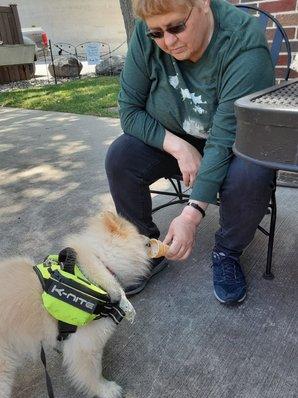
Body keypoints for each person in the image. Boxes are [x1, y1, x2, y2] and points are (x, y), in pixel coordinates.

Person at [105, 0, 275, 304]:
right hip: (176, 136)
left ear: (203, 4)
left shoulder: (243, 43)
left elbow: (225, 137)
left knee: (254, 173)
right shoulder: (148, 40)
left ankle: (227, 251)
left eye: (177, 27)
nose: (168, 42)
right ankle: (146, 247)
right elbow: (128, 110)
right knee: (121, 156)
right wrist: (179, 147)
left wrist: (192, 214)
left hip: (235, 143)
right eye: (156, 33)